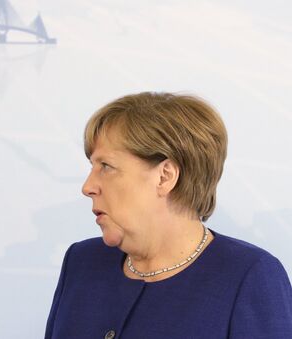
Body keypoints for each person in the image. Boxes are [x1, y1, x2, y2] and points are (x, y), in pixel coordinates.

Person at [45, 92, 292, 338]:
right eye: (92, 166)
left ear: (165, 176)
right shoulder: (81, 262)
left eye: (106, 167)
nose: (88, 187)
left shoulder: (250, 276)